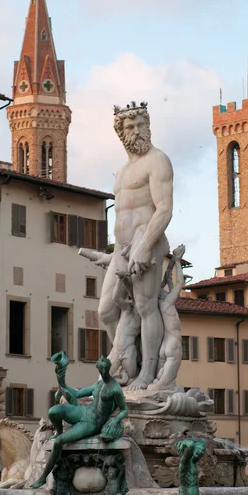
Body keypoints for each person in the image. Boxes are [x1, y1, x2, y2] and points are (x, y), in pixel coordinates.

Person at [98, 102, 173, 390]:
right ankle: (126, 362)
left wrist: (144, 245)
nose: (137, 130)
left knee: (145, 307)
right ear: (121, 132)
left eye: (141, 124)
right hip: (121, 248)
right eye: (130, 126)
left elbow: (164, 208)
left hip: (147, 242)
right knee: (106, 310)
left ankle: (147, 373)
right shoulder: (120, 172)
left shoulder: (158, 160)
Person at [31, 356, 128, 488]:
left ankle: (43, 477)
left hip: (92, 423)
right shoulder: (98, 385)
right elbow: (78, 394)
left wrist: (115, 420)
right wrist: (63, 385)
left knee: (59, 442)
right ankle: (59, 431)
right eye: (101, 369)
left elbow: (124, 410)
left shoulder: (115, 388)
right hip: (83, 411)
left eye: (105, 369)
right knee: (53, 411)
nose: (103, 371)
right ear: (98, 369)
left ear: (109, 368)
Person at [149, 244, 185, 390]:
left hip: (163, 346)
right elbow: (180, 283)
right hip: (174, 344)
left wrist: (170, 267)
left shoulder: (159, 303)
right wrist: (177, 261)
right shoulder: (168, 303)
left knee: (155, 384)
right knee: (163, 386)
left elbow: (167, 281)